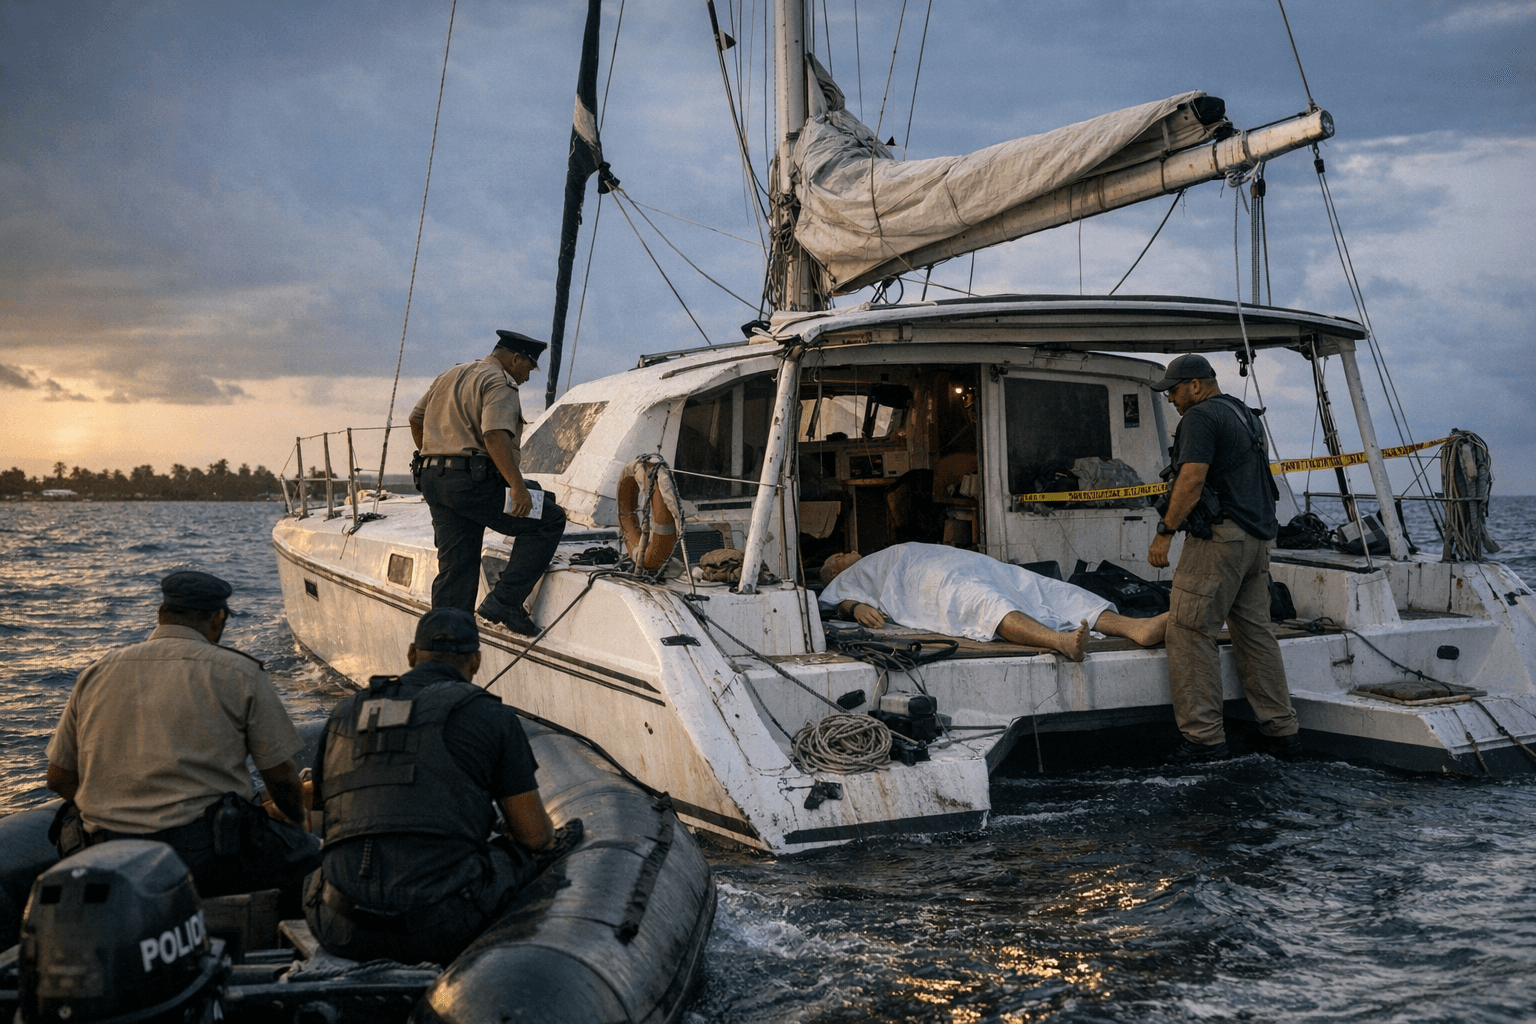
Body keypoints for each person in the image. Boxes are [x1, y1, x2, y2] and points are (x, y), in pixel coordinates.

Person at [306, 608, 560, 966]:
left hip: (339, 924)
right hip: (440, 928)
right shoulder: (493, 716)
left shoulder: (345, 713)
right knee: (523, 854)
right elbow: (535, 837)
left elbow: (319, 823)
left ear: (411, 655)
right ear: (476, 662)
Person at [45, 571, 317, 900]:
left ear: (162, 614)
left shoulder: (96, 673)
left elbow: (59, 778)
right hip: (207, 855)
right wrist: (296, 821)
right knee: (314, 859)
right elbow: (281, 779)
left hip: (107, 851)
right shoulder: (240, 673)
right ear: (218, 619)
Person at [1147, 352, 1301, 763]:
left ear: (1196, 385)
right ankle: (1281, 731)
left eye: (1175, 391)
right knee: (1256, 634)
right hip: (1256, 540)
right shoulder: (1243, 413)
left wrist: (1164, 534)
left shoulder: (1198, 418)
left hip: (1220, 541)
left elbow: (1192, 479)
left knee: (1189, 631)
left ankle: (1203, 740)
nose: (1171, 400)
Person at [410, 329, 567, 635]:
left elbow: (416, 419)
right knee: (548, 517)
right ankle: (505, 602)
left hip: (435, 481)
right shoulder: (499, 381)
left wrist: (434, 451)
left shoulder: (452, 374)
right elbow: (494, 435)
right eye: (529, 368)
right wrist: (517, 487)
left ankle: (446, 643)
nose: (527, 377)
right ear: (515, 358)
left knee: (457, 566)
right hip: (471, 484)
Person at [818, 542, 1167, 662]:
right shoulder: (849, 576)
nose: (850, 551)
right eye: (840, 555)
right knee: (984, 603)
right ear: (836, 570)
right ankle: (1060, 642)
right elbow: (834, 600)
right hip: (926, 580)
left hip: (955, 561)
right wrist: (853, 607)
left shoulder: (881, 555)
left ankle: (1136, 627)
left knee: (1044, 589)